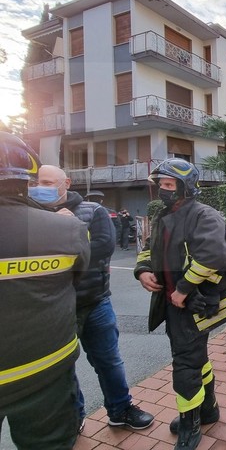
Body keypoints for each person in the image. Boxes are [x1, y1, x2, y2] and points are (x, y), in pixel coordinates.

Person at [30, 165, 154, 432]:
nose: (43, 186)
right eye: (39, 181)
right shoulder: (30, 215)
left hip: (95, 301)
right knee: (62, 369)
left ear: (67, 182)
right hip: (55, 306)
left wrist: (68, 230)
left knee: (108, 361)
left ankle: (120, 410)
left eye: (50, 182)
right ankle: (74, 417)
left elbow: (102, 248)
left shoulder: (92, 211)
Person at [135, 158, 226, 450]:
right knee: (196, 357)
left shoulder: (203, 215)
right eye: (161, 184)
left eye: (170, 185)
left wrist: (183, 290)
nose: (163, 190)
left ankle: (190, 423)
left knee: (185, 364)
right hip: (175, 302)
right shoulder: (163, 215)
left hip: (195, 303)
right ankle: (208, 409)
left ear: (186, 187)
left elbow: (212, 255)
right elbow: (149, 247)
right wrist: (143, 270)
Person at [0, 132, 90, 449]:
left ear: (66, 184)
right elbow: (75, 278)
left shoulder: (77, 218)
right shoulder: (66, 228)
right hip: (49, 370)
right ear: (28, 179)